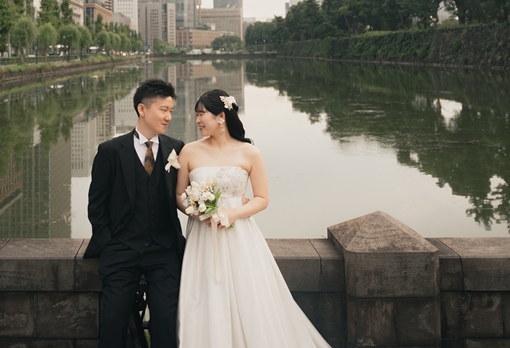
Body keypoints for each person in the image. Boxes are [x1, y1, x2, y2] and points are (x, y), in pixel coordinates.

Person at [175, 89, 331, 348]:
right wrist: (197, 211)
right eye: (196, 115)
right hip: (202, 237)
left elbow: (261, 198)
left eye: (202, 114)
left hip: (240, 236)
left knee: (250, 295)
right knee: (203, 296)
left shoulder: (250, 152)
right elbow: (179, 194)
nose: (198, 120)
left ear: (221, 116)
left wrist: (230, 213)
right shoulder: (189, 151)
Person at [84, 78, 185, 348]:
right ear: (142, 109)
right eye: (163, 110)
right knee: (114, 319)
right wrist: (109, 243)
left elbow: (187, 193)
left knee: (166, 319)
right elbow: (97, 205)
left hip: (164, 251)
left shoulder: (178, 148)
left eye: (171, 111)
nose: (168, 116)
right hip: (121, 250)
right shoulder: (110, 151)